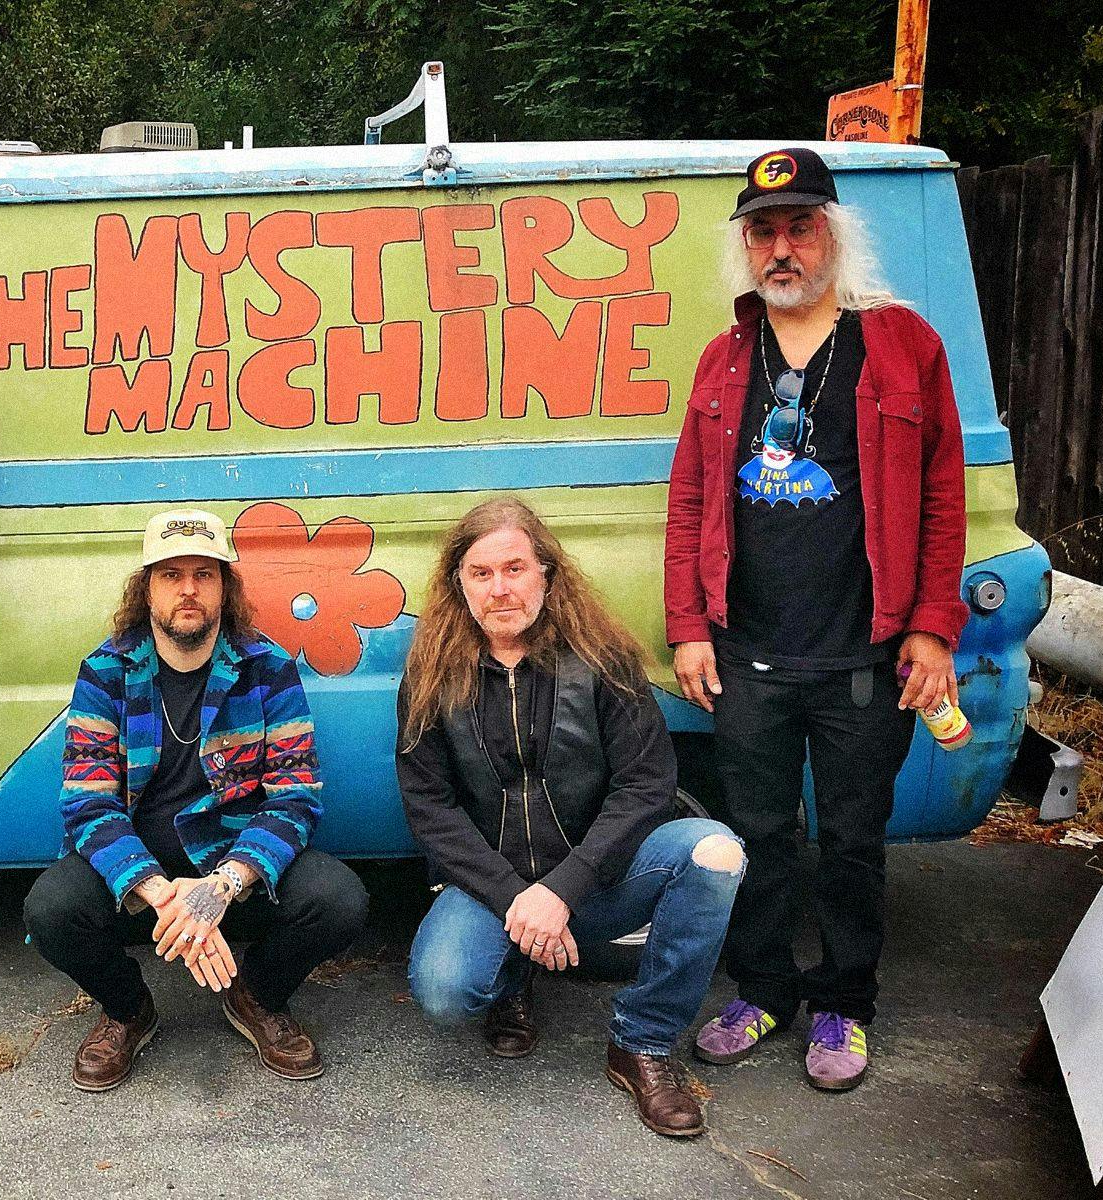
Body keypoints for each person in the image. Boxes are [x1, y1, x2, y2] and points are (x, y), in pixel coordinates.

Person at [665, 147, 968, 1091]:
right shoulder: (724, 361)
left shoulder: (903, 344)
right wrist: (688, 625)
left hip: (863, 658)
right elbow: (687, 503)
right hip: (748, 654)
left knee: (850, 840)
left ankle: (844, 1005)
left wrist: (932, 625)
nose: (781, 246)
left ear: (834, 235)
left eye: (801, 226)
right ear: (746, 249)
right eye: (764, 230)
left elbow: (943, 495)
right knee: (757, 835)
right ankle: (761, 991)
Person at [398, 496, 744, 1138]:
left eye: (515, 568)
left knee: (713, 851)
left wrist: (561, 891)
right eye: (480, 573)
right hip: (491, 884)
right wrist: (516, 899)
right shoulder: (431, 673)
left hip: (596, 879)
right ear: (459, 584)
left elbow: (647, 785)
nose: (499, 589)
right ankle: (513, 977)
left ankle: (642, 1042)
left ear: (547, 575)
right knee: (445, 991)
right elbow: (430, 807)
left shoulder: (602, 658)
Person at [23, 509, 368, 1091]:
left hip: (234, 860)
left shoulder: (268, 669)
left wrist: (222, 887)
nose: (188, 589)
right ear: (146, 587)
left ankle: (256, 995)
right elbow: (86, 802)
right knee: (50, 909)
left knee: (339, 900)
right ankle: (128, 1011)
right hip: (140, 870)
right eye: (171, 575)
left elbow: (296, 796)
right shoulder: (106, 671)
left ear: (224, 587)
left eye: (204, 575)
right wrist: (159, 891)